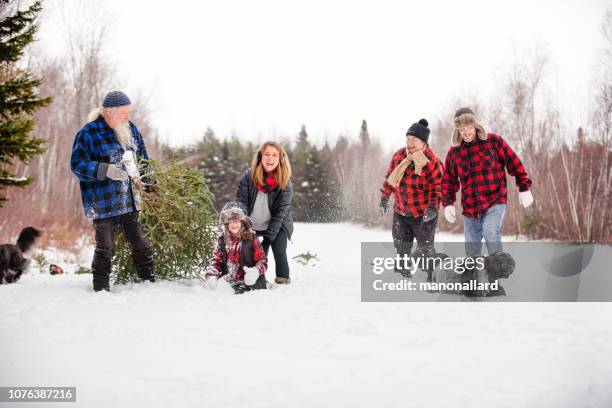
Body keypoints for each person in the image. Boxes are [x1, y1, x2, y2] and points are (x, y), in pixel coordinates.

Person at [442, 107, 532, 296]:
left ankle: (494, 279)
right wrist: (448, 203)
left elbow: (514, 162)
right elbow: (448, 181)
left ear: (474, 125)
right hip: (470, 208)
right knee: (472, 248)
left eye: (468, 126)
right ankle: (476, 281)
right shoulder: (454, 152)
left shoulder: (493, 142)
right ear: (457, 129)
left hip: (494, 200)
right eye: (461, 128)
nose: (466, 131)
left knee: (491, 230)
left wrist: (524, 187)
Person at [70, 91, 155, 292]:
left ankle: (148, 282)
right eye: (124, 113)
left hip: (129, 199)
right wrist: (104, 170)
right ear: (109, 112)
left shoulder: (130, 129)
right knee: (105, 247)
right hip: (102, 203)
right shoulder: (89, 133)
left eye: (129, 112)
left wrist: (150, 182)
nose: (128, 117)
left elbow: (143, 158)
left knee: (141, 243)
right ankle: (100, 288)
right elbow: (77, 164)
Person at [380, 119, 444, 282]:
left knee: (425, 249)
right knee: (401, 244)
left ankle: (431, 276)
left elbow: (438, 186)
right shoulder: (399, 155)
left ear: (423, 142)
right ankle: (402, 273)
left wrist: (432, 207)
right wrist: (385, 197)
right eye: (408, 139)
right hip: (401, 211)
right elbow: (389, 178)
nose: (410, 143)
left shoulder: (432, 161)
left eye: (414, 140)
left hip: (423, 214)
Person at [236, 141, 293, 284]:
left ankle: (283, 281)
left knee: (279, 251)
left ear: (280, 158)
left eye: (275, 155)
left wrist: (267, 240)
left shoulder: (285, 181)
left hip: (277, 224)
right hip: (251, 223)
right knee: (250, 254)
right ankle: (251, 279)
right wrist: (245, 226)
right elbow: (241, 203)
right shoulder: (248, 176)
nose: (270, 158)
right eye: (267, 154)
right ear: (261, 156)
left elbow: (280, 212)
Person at [204, 202, 268, 294]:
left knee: (239, 294)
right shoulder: (222, 239)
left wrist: (255, 272)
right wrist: (212, 276)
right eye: (231, 222)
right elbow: (216, 260)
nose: (234, 224)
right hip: (230, 280)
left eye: (237, 221)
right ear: (227, 223)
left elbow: (262, 260)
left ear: (242, 222)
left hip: (249, 281)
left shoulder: (251, 237)